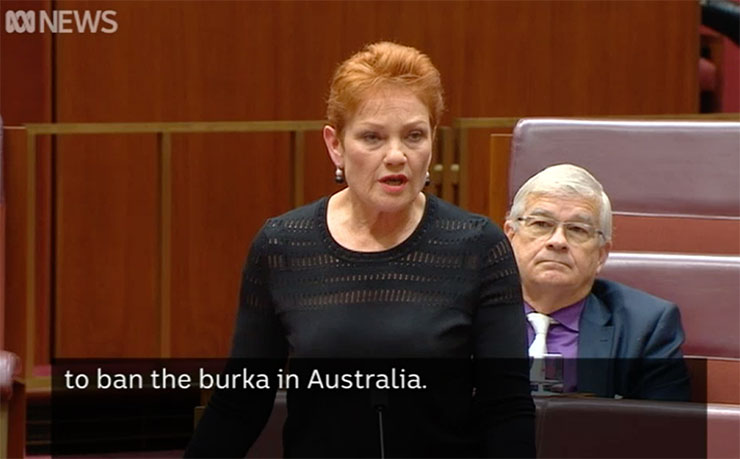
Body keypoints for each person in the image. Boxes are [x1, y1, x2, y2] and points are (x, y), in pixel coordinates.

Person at [185, 42, 535, 458]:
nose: (396, 156)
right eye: (372, 137)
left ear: (433, 140)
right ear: (335, 145)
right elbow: (241, 402)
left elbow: (507, 408)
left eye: (414, 136)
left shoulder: (478, 247)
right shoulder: (282, 245)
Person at [503, 164, 690, 401]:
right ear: (510, 236)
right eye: (541, 224)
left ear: (601, 253)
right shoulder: (466, 312)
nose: (557, 241)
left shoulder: (645, 326)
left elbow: (664, 429)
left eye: (577, 229)